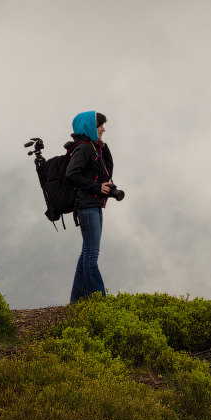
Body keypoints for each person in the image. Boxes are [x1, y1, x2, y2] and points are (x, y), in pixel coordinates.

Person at [65, 110, 115, 303]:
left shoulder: (93, 148)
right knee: (91, 254)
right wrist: (96, 187)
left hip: (93, 204)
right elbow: (72, 174)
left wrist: (104, 147)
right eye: (99, 125)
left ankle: (77, 299)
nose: (103, 129)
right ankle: (99, 300)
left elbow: (107, 172)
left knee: (87, 251)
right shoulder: (84, 148)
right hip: (87, 206)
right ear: (89, 127)